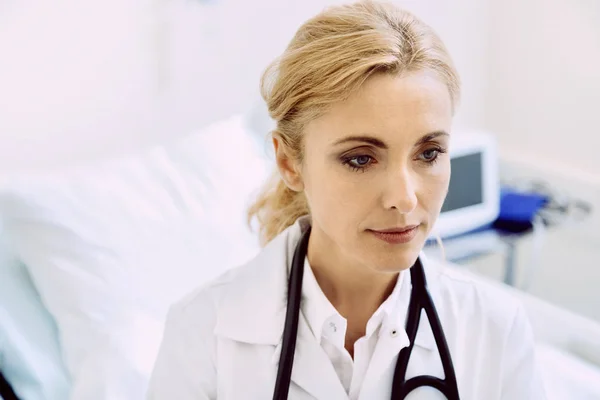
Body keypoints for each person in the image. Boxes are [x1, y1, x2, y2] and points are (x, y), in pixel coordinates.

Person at [147, 1, 547, 399]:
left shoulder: (495, 330)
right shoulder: (204, 333)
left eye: (428, 154)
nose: (405, 199)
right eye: (360, 159)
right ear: (289, 162)